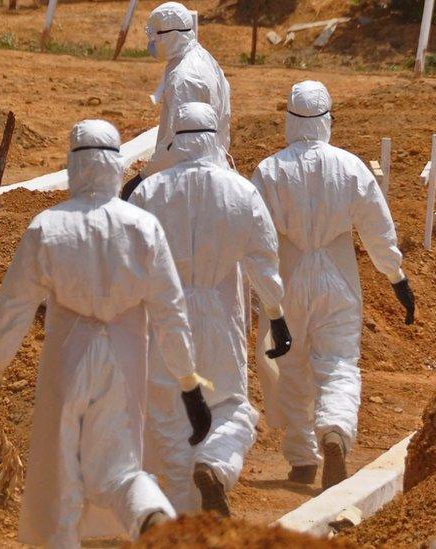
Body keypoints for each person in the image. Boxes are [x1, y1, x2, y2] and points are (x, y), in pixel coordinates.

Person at [0, 120, 212, 548]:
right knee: (121, 469)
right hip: (127, 358)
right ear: (115, 166)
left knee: (59, 476)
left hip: (67, 358)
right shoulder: (143, 227)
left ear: (73, 166)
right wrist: (188, 383)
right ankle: (152, 517)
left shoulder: (48, 227)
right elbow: (171, 313)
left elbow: (14, 308)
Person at [250, 81, 416, 490]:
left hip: (288, 277)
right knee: (339, 363)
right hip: (338, 277)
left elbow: (255, 236)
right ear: (327, 120)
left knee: (290, 366)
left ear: (289, 118)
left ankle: (302, 458)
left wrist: (255, 290)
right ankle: (335, 431)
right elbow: (378, 230)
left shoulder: (269, 171)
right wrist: (396, 277)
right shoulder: (350, 167)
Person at [129, 102, 292, 517]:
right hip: (219, 314)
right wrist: (276, 315)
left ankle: (187, 518)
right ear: (215, 136)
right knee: (232, 406)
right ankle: (216, 465)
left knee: (170, 416)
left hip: (165, 316)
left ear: (175, 139)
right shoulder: (241, 191)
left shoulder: (149, 192)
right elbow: (264, 265)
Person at [120, 1, 231, 200]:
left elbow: (179, 138)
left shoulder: (184, 78)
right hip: (212, 165)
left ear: (171, 35)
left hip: (185, 179)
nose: (152, 42)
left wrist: (145, 177)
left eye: (156, 36)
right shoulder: (202, 58)